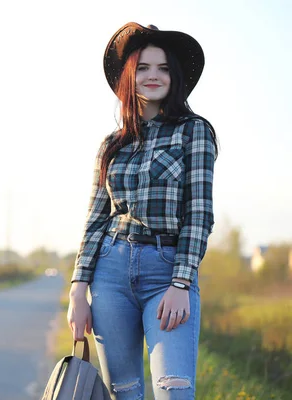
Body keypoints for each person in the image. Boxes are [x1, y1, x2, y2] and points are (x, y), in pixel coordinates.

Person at [67, 22, 218, 400]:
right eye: (144, 67)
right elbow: (96, 219)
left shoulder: (193, 131)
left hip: (165, 273)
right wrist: (77, 290)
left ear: (176, 77)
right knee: (124, 392)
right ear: (130, 76)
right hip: (110, 274)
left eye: (163, 68)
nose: (153, 76)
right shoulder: (111, 145)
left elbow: (199, 213)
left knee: (174, 391)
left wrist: (181, 283)